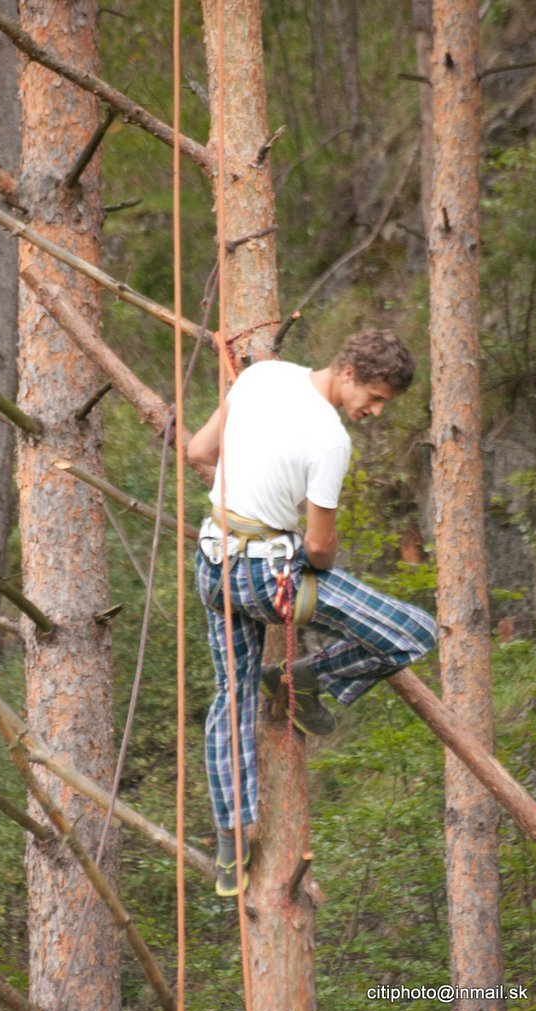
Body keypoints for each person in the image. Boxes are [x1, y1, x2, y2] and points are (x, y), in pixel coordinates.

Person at [188, 329, 437, 897]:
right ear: (347, 372)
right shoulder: (330, 438)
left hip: (212, 563)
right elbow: (321, 548)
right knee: (414, 631)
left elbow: (199, 452)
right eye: (373, 397)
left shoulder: (260, 376)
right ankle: (305, 677)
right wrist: (304, 548)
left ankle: (230, 845)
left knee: (232, 695)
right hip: (266, 580)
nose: (374, 411)